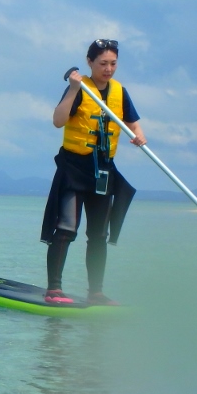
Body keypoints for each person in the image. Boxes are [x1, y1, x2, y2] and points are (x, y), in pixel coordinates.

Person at [40, 39, 147, 305]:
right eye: (103, 63)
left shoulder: (120, 92)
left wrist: (139, 135)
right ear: (90, 62)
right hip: (74, 169)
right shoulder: (79, 88)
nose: (108, 69)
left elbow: (133, 122)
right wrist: (73, 89)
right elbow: (58, 121)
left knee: (99, 235)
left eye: (113, 63)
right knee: (66, 229)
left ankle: (96, 292)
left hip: (103, 172)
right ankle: (54, 289)